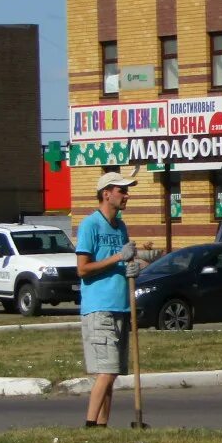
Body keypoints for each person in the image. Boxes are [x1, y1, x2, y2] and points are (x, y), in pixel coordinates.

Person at [75, 171, 141, 428]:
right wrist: (118, 259)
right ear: (106, 194)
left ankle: (103, 426)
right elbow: (82, 268)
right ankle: (90, 424)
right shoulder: (90, 225)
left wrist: (134, 267)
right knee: (107, 370)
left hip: (121, 305)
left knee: (112, 373)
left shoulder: (120, 226)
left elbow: (122, 262)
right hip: (98, 307)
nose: (127, 195)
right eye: (122, 191)